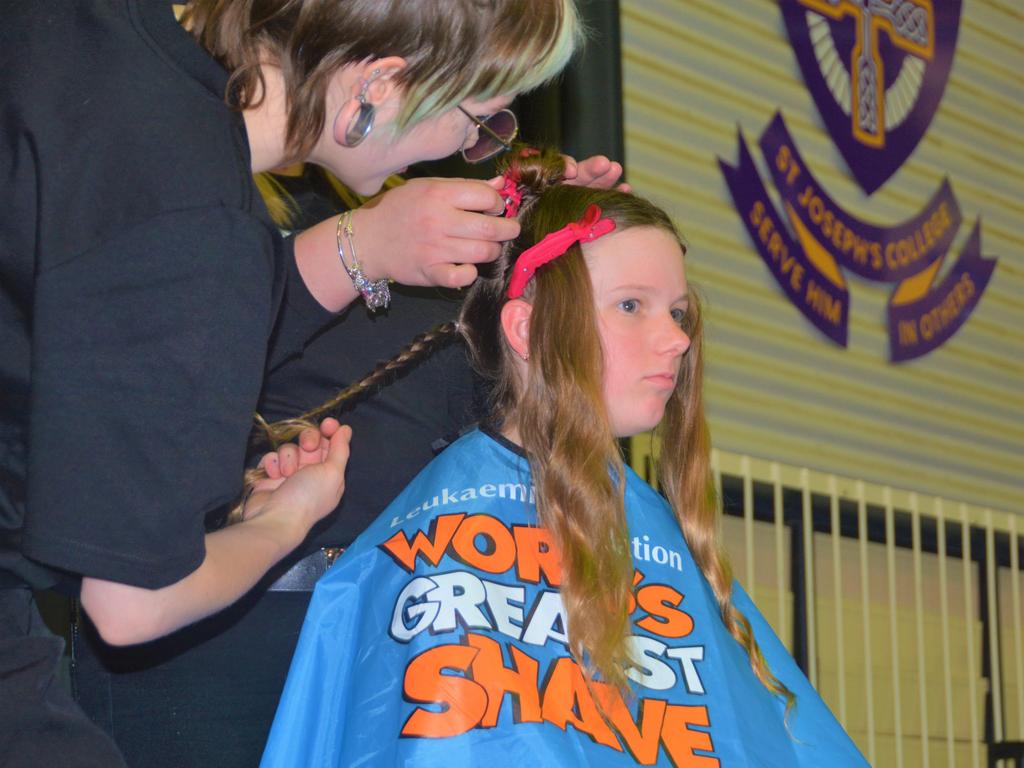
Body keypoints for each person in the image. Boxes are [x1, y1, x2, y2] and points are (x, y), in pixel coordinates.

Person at [1, 1, 591, 764]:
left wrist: (367, 243)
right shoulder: (194, 223)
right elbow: (131, 603)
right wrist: (284, 523)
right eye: (480, 120)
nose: (472, 150)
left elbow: (119, 308)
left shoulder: (89, 35)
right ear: (381, 82)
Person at [256, 149, 869, 766]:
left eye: (678, 312)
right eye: (632, 305)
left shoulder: (656, 537)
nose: (679, 338)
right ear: (525, 331)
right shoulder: (436, 521)